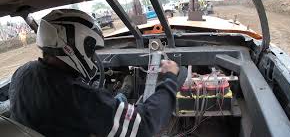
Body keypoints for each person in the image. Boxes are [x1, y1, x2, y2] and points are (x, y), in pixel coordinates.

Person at [9, 9, 180, 137]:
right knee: (119, 103)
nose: (93, 56)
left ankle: (122, 96)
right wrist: (171, 79)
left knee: (118, 100)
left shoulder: (21, 74)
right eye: (91, 49)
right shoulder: (78, 97)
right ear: (71, 45)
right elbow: (145, 125)